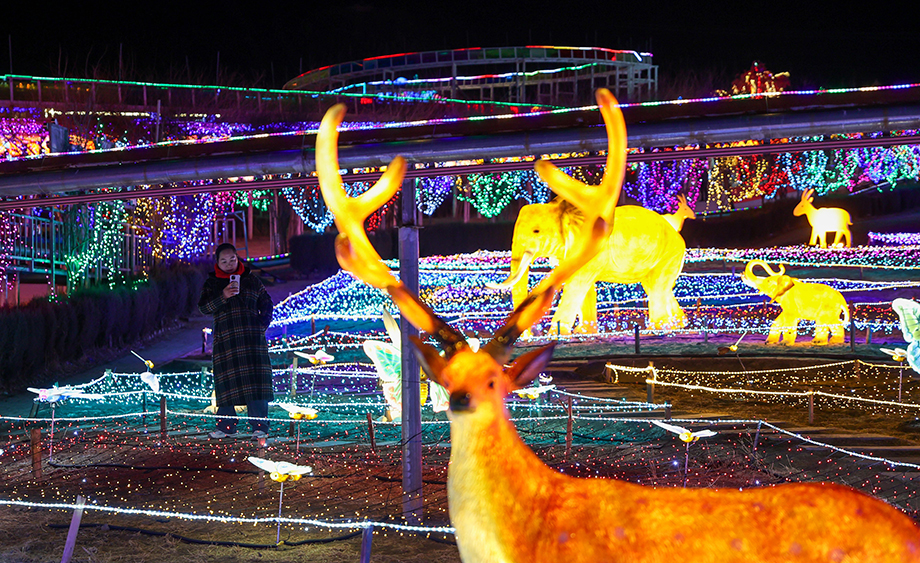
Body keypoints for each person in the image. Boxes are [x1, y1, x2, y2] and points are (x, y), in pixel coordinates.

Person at [199, 243, 274, 439]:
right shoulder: (212, 284)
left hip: (252, 340)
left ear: (237, 258)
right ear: (217, 262)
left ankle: (260, 427)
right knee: (225, 383)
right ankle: (226, 426)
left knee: (256, 383)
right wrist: (223, 295)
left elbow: (267, 303)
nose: (229, 264)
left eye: (232, 259)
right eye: (224, 261)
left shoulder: (251, 280)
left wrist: (261, 326)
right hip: (226, 340)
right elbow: (204, 307)